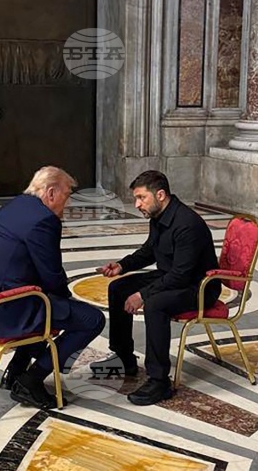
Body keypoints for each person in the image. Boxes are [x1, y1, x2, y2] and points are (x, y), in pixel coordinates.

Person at [0, 166, 105, 409]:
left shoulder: (15, 206)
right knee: (91, 319)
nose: (67, 203)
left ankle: (15, 370)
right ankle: (30, 380)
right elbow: (52, 275)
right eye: (66, 195)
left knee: (51, 303)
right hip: (10, 308)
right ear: (51, 192)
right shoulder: (44, 219)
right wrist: (68, 302)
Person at [90, 170, 220, 405]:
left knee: (155, 304)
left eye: (141, 198)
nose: (137, 204)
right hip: (172, 276)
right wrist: (122, 266)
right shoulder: (159, 216)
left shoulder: (187, 225)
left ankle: (159, 381)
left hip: (198, 287)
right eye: (136, 199)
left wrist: (142, 294)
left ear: (160, 195)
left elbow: (181, 276)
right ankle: (124, 358)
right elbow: (149, 251)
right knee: (118, 288)